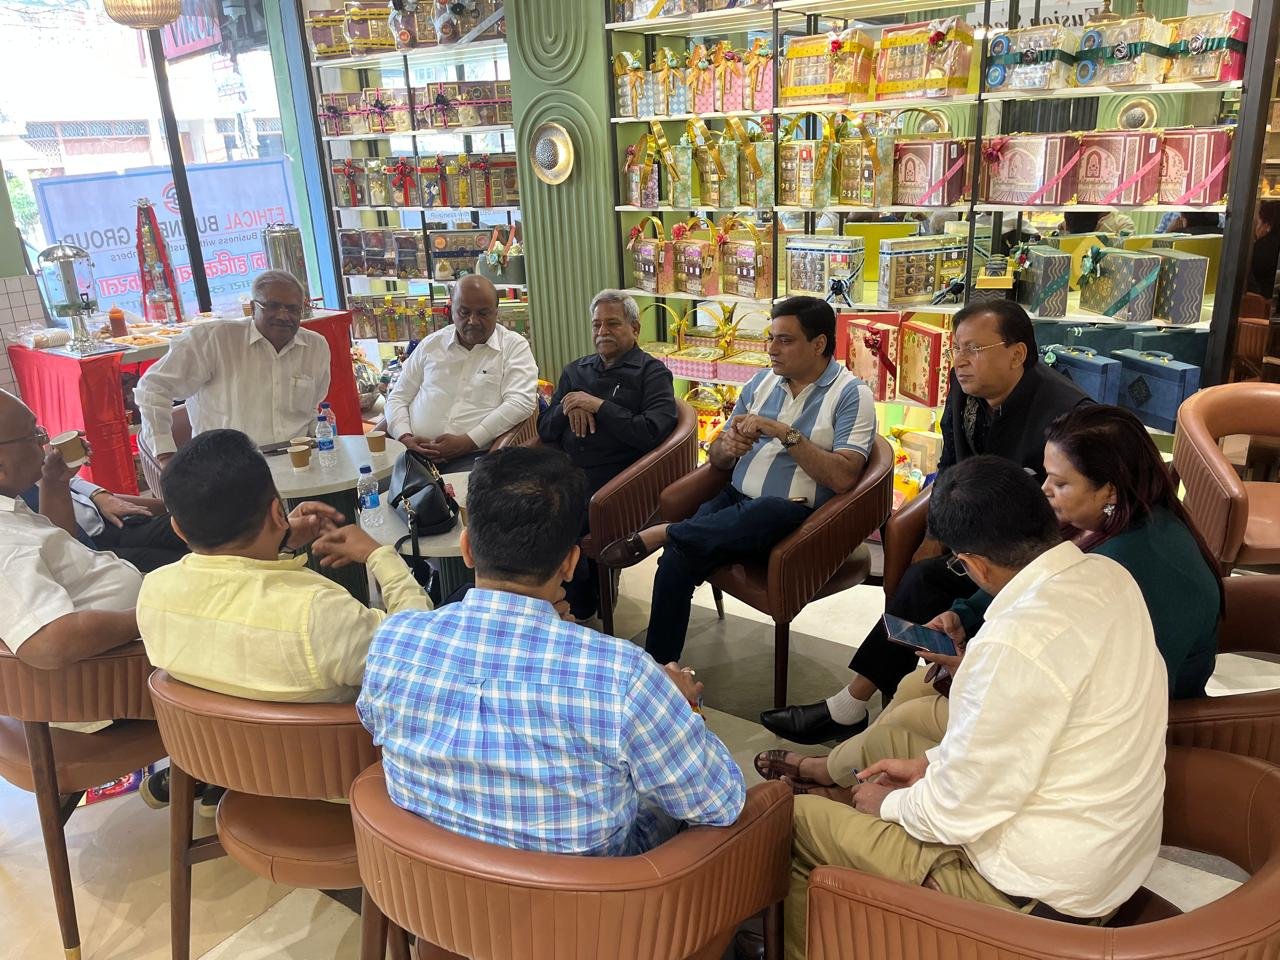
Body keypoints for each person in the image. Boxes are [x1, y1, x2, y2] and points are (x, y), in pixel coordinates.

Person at [779, 456, 1167, 960]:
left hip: (1033, 894)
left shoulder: (1014, 642)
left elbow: (959, 810)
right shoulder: (1109, 576)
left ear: (975, 564)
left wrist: (889, 805)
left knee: (795, 820)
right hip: (1106, 860)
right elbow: (1019, 745)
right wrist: (929, 767)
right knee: (903, 746)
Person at [757, 404, 1221, 794]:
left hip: (1094, 731)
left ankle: (850, 780)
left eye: (1060, 483)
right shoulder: (1106, 525)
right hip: (1057, 694)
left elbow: (1082, 692)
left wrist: (975, 669)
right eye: (1047, 477)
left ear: (1109, 490)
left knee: (912, 711)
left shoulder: (1130, 567)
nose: (1046, 491)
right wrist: (963, 617)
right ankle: (843, 769)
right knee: (914, 683)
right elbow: (1030, 580)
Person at [358, 446, 745, 855]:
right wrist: (681, 706)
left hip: (432, 880)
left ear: (467, 548)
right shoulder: (625, 677)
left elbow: (374, 723)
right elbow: (721, 802)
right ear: (570, 563)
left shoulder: (393, 642)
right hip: (589, 891)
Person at [763, 300, 1089, 744]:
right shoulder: (965, 388)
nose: (960, 361)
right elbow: (951, 465)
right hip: (975, 538)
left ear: (1017, 353)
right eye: (956, 348)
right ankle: (873, 704)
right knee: (921, 576)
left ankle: (860, 707)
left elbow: (1067, 509)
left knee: (923, 583)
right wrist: (934, 534)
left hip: (1031, 555)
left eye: (974, 349)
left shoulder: (1065, 413)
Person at [135, 428, 431, 808]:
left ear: (178, 527)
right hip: (339, 785)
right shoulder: (318, 613)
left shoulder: (154, 593)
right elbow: (419, 652)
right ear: (278, 512)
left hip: (232, 773)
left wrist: (278, 540)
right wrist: (379, 555)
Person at [599, 296, 875, 664]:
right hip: (734, 499)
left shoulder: (852, 395)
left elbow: (843, 477)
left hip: (797, 521)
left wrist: (783, 432)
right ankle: (660, 669)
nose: (771, 349)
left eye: (785, 340)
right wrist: (727, 447)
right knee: (677, 561)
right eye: (771, 338)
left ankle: (666, 531)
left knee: (769, 510)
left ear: (819, 344)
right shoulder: (762, 382)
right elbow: (717, 458)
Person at [537, 289, 678, 619]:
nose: (602, 331)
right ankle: (544, 597)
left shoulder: (652, 373)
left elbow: (652, 432)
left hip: (621, 478)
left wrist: (598, 406)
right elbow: (545, 430)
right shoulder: (576, 371)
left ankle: (577, 600)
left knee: (561, 510)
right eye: (596, 324)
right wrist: (569, 405)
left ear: (635, 328)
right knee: (523, 506)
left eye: (612, 324)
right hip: (566, 469)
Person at [0, 391, 140, 682]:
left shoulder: (9, 505)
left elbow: (59, 555)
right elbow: (49, 644)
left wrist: (54, 482)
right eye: (33, 435)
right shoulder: (6, 542)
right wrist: (153, 614)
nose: (44, 441)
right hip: (119, 677)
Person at [135, 270, 331, 464]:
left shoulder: (315, 347)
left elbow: (310, 412)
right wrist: (166, 456)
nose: (283, 316)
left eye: (293, 309)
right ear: (253, 308)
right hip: (224, 470)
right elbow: (152, 388)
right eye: (272, 306)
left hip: (298, 463)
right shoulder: (213, 340)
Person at [385, 274, 537, 473]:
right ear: (452, 310)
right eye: (464, 312)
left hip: (474, 456)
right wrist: (405, 437)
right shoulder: (431, 344)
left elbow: (521, 402)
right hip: (413, 452)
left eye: (483, 313)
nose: (473, 321)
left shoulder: (513, 347)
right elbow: (398, 397)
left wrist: (468, 441)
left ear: (496, 313)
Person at [1249, 201, 1280, 298]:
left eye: (1258, 222)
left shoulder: (1260, 248)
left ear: (1268, 226)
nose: (1256, 227)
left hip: (1262, 302)